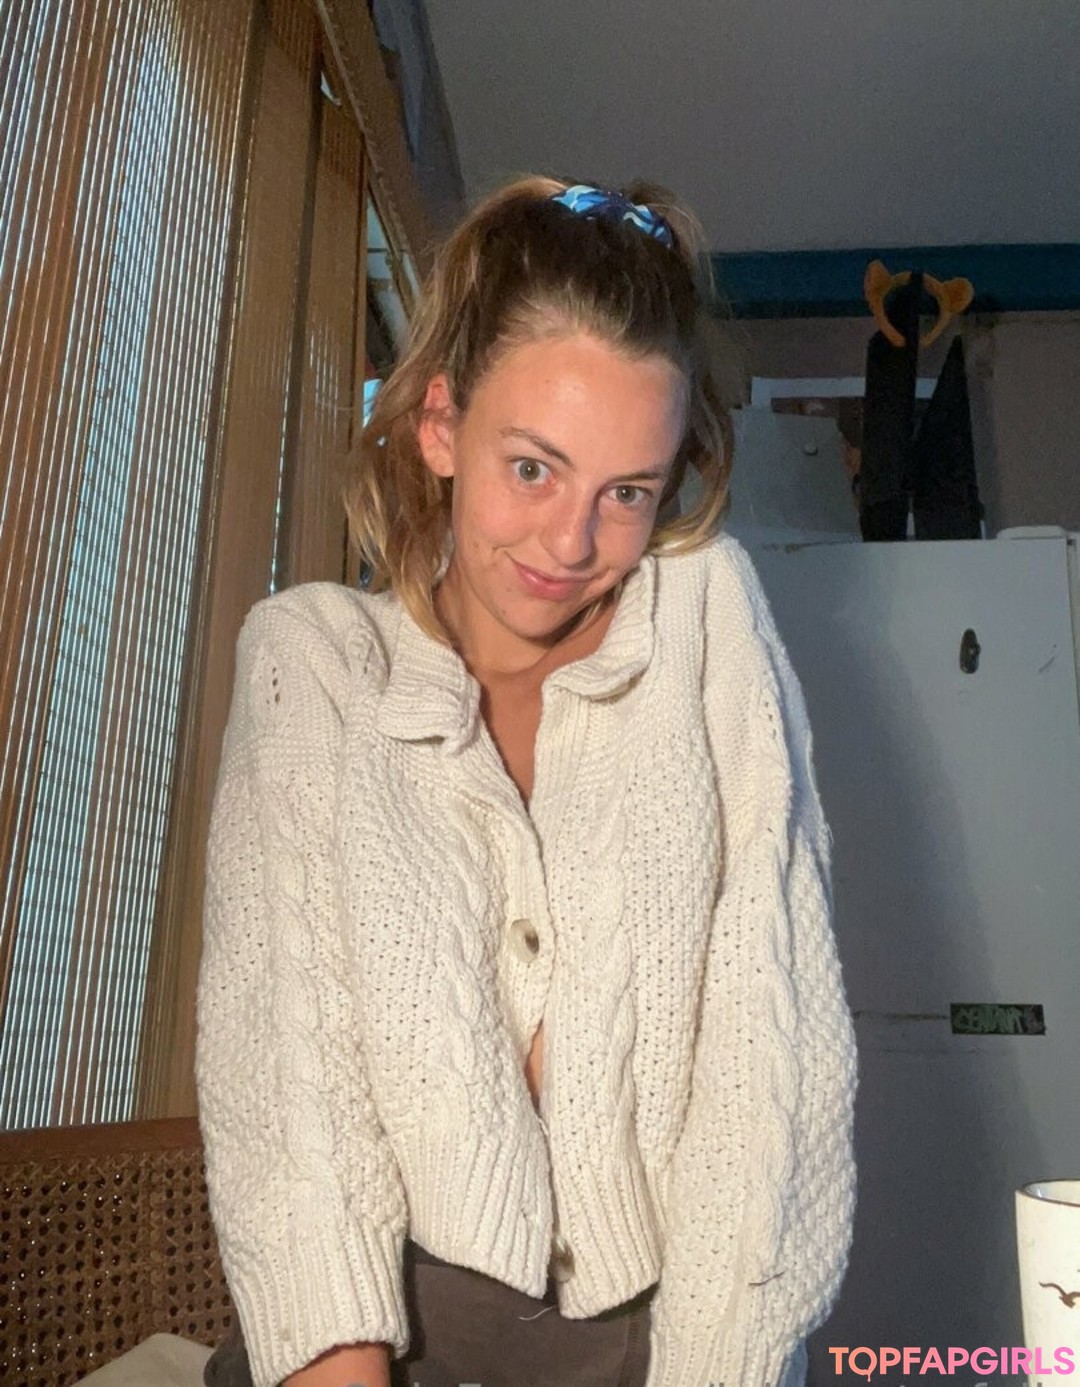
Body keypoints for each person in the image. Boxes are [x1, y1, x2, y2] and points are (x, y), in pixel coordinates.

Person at [196, 175, 857, 1387]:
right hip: (376, 1331)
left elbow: (771, 1052)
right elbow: (291, 1087)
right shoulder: (312, 663)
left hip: (665, 1336)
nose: (570, 543)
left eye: (627, 492)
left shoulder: (705, 621)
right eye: (534, 468)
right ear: (440, 425)